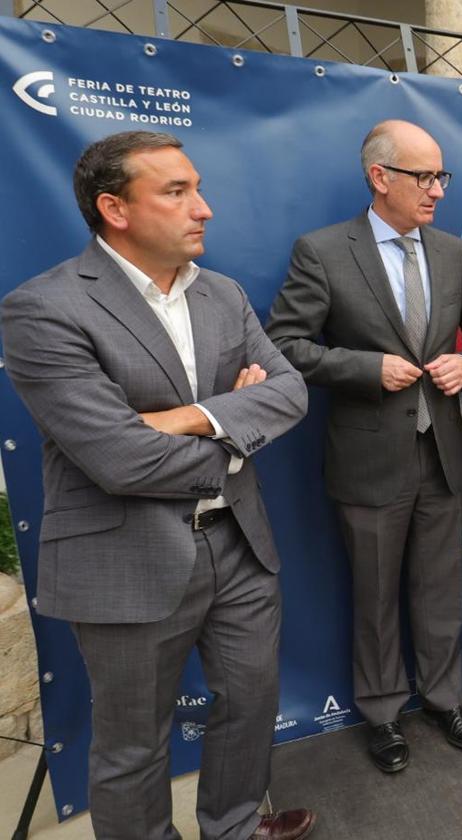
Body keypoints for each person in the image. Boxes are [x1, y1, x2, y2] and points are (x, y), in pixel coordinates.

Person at [0, 131, 313, 839]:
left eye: (198, 188)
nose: (203, 208)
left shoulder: (223, 293)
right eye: (176, 191)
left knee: (250, 704)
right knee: (134, 744)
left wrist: (182, 419)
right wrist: (233, 431)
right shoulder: (43, 307)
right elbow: (116, 457)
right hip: (125, 554)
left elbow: (289, 392)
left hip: (238, 543)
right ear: (115, 207)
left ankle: (233, 827)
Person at [266, 120, 462, 773]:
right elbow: (285, 345)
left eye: (441, 176)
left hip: (443, 452)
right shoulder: (324, 251)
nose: (437, 191)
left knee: (441, 588)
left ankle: (446, 700)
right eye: (425, 177)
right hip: (367, 456)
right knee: (375, 596)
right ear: (379, 176)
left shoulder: (452, 253)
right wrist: (366, 369)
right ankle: (384, 715)